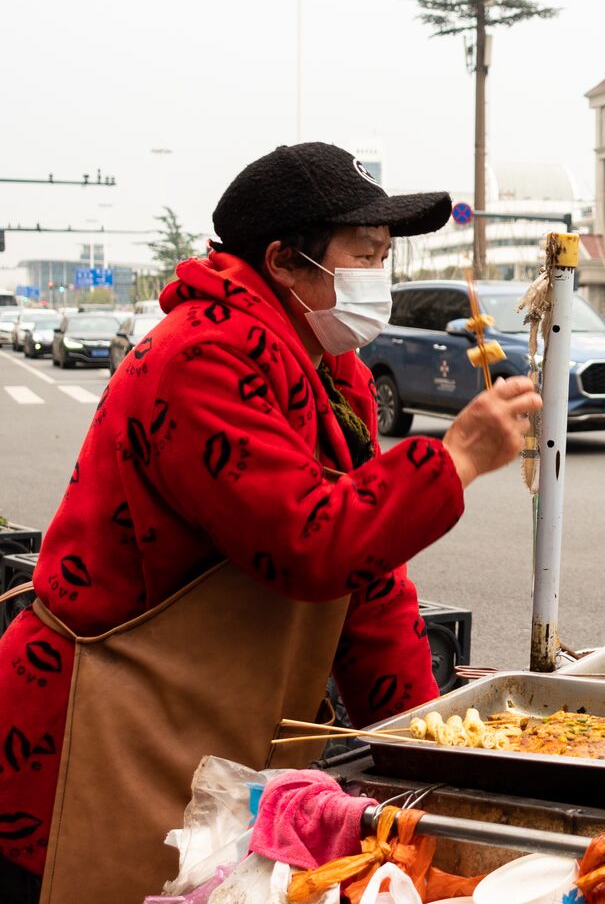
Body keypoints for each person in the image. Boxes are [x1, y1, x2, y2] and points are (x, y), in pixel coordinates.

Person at [0, 142, 542, 903]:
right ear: (285, 260)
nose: (377, 276)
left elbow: (368, 580)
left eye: (385, 256)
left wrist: (426, 750)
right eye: (363, 253)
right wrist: (450, 462)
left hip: (208, 738)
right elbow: (311, 542)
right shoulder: (201, 356)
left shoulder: (328, 368)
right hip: (89, 738)